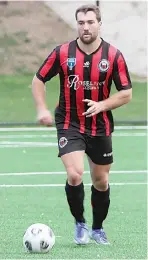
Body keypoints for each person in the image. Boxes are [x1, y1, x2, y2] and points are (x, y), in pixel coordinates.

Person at [32, 4, 132, 245]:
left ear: (99, 23)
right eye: (81, 23)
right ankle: (80, 223)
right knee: (75, 174)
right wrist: (42, 108)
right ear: (76, 24)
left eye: (90, 22)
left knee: (101, 181)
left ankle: (97, 228)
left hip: (100, 126)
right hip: (69, 123)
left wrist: (102, 105)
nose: (85, 27)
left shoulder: (114, 56)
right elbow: (38, 79)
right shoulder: (62, 53)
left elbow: (126, 93)